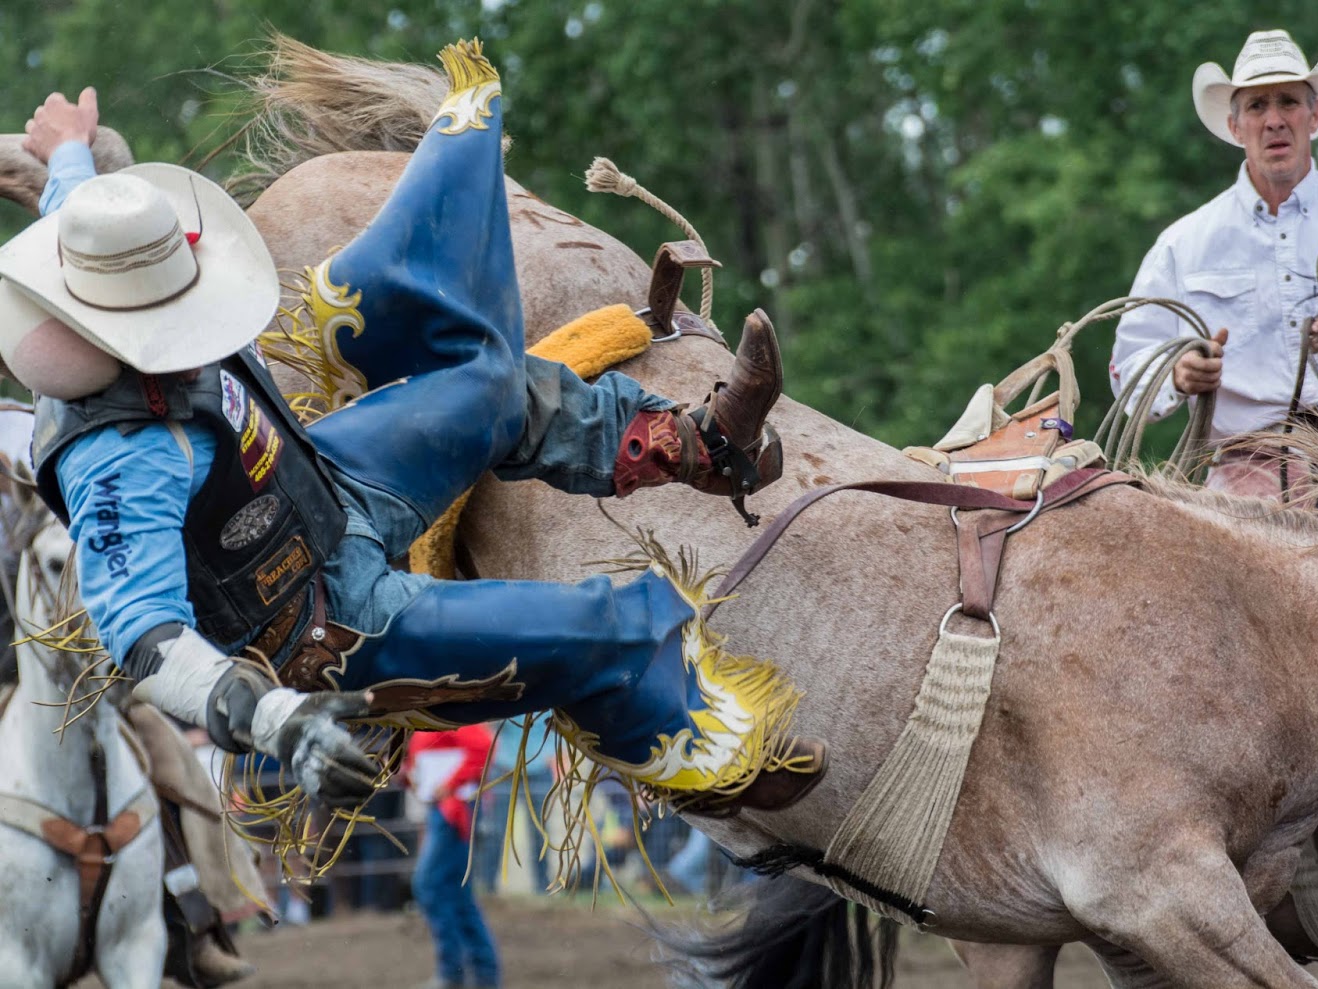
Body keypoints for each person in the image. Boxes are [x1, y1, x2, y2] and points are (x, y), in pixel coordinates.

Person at [0, 42, 823, 826]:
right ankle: (702, 751)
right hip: (323, 621)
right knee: (594, 623)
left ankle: (695, 442)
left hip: (323, 483)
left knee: (491, 382)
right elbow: (146, 639)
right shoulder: (116, 459)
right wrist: (283, 720)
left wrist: (68, 151)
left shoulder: (98, 262)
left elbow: (85, 216)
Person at [1109, 29, 1318, 493]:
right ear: (1236, 127)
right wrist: (1177, 375)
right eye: (1257, 106)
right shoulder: (1183, 244)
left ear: (1314, 115)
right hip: (1239, 481)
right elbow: (1128, 367)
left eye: (1288, 103)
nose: (1274, 120)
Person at [404, 726, 500, 989]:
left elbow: (483, 747)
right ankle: (479, 972)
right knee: (455, 892)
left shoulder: (452, 711)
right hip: (446, 808)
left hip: (455, 808)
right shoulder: (437, 711)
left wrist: (450, 783)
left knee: (429, 884)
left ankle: (455, 971)